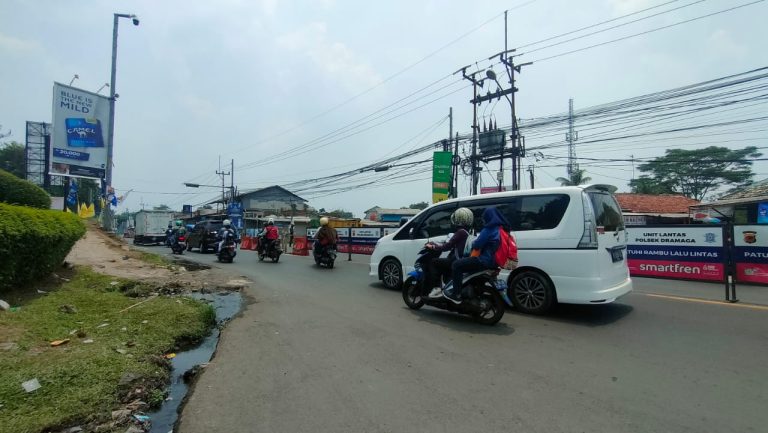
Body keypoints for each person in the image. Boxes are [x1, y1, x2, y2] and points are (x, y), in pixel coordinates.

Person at [444, 207, 508, 304]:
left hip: (484, 260)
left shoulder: (488, 229)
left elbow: (477, 245)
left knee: (456, 265)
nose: (483, 219)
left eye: (484, 217)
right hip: (494, 262)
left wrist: (473, 243)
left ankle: (456, 294)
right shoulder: (501, 229)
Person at [425, 207, 474, 299]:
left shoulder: (460, 232)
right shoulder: (468, 232)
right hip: (461, 259)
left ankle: (437, 287)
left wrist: (433, 246)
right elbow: (451, 244)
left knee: (433, 262)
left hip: (455, 260)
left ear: (459, 219)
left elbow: (447, 247)